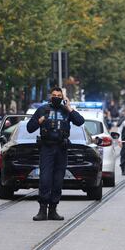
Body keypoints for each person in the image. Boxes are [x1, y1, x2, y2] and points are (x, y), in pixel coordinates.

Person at [27, 87, 85, 221]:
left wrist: (69, 107)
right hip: (47, 148)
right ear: (50, 96)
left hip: (61, 148)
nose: (57, 97)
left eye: (59, 95)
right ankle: (42, 210)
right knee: (45, 179)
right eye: (54, 95)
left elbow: (80, 121)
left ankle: (53, 209)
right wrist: (39, 121)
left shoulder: (66, 111)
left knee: (58, 180)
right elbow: (30, 128)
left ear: (63, 97)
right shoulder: (42, 109)